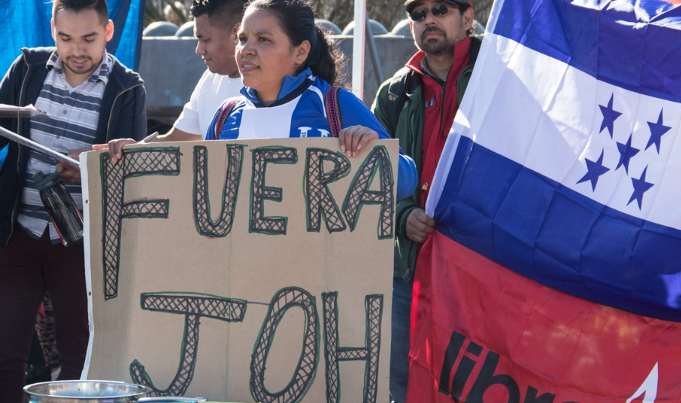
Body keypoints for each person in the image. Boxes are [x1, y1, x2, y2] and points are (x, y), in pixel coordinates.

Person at [0, 0, 147, 400]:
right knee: (6, 348)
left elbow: (131, 166)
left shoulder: (127, 87)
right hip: (18, 231)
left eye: (88, 39)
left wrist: (90, 164)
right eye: (65, 38)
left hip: (82, 241)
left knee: (81, 351)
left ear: (109, 32)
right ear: (52, 30)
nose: (76, 50)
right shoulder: (28, 68)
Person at [371, 0, 479, 401]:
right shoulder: (394, 93)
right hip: (409, 265)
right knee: (401, 382)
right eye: (418, 14)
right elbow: (370, 179)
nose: (428, 20)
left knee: (475, 384)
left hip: (481, 266)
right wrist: (403, 216)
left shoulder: (501, 77)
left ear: (467, 17)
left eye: (440, 9)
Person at [205, 0, 417, 200]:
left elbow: (407, 181)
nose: (246, 50)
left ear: (301, 52)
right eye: (242, 39)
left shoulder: (335, 104)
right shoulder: (226, 115)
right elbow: (200, 190)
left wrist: (374, 150)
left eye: (263, 39)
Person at [104, 0, 246, 157]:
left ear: (236, 33)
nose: (198, 50)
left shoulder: (270, 82)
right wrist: (134, 147)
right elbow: (175, 140)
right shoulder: (209, 79)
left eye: (205, 39)